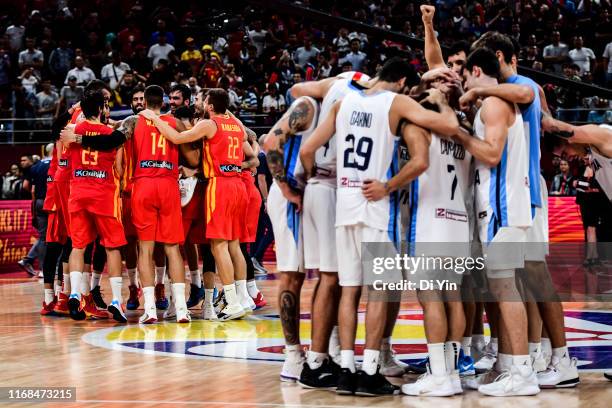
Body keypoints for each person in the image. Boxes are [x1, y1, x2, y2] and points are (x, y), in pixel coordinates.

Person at [300, 57, 459, 396]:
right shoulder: (396, 102)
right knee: (380, 290)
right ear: (402, 81)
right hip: (373, 204)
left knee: (349, 288)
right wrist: (444, 105)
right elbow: (445, 129)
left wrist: (313, 175)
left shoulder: (343, 103)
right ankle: (370, 369)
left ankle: (346, 367)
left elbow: (308, 149)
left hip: (344, 203)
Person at [455, 48, 538, 397]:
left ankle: (521, 373)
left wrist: (456, 134)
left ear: (476, 70)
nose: (462, 82)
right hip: (505, 209)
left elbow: (490, 153)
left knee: (505, 288)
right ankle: (508, 363)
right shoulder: (496, 102)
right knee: (502, 287)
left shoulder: (493, 104)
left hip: (501, 209)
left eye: (465, 76)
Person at [139, 88, 254, 321]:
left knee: (218, 246)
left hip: (219, 186)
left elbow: (177, 138)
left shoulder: (209, 124)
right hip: (238, 187)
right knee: (234, 245)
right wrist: (237, 166)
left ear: (210, 106)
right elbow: (251, 156)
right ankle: (243, 297)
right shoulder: (235, 124)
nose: (199, 102)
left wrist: (155, 119)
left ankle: (231, 301)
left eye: (204, 100)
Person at [65, 89, 127, 323]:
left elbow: (59, 139)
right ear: (101, 109)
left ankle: (74, 293)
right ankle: (116, 300)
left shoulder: (71, 132)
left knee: (78, 246)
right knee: (112, 247)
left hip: (78, 191)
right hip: (103, 193)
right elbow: (119, 164)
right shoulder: (110, 133)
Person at [18, 144, 53, 281]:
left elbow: (28, 188)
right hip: (52, 202)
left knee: (43, 237)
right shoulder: (57, 163)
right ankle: (54, 268)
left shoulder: (36, 166)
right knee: (56, 236)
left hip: (38, 202)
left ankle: (42, 269)